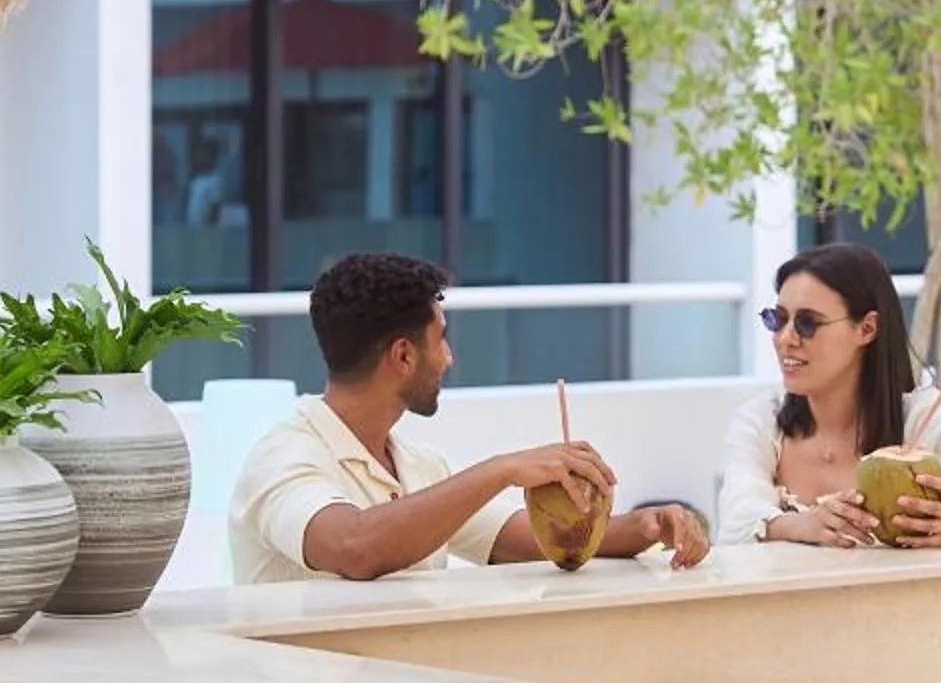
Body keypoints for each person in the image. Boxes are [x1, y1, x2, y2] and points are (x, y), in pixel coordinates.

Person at [232, 250, 712, 584]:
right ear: (403, 356)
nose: (449, 358)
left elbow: (526, 541)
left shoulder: (420, 466)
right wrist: (503, 469)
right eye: (441, 339)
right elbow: (355, 547)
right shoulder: (282, 458)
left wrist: (648, 527)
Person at [716, 241, 941, 547]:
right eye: (777, 319)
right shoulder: (761, 422)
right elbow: (735, 520)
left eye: (807, 323)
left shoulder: (923, 423)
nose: (785, 338)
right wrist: (800, 525)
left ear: (867, 329)